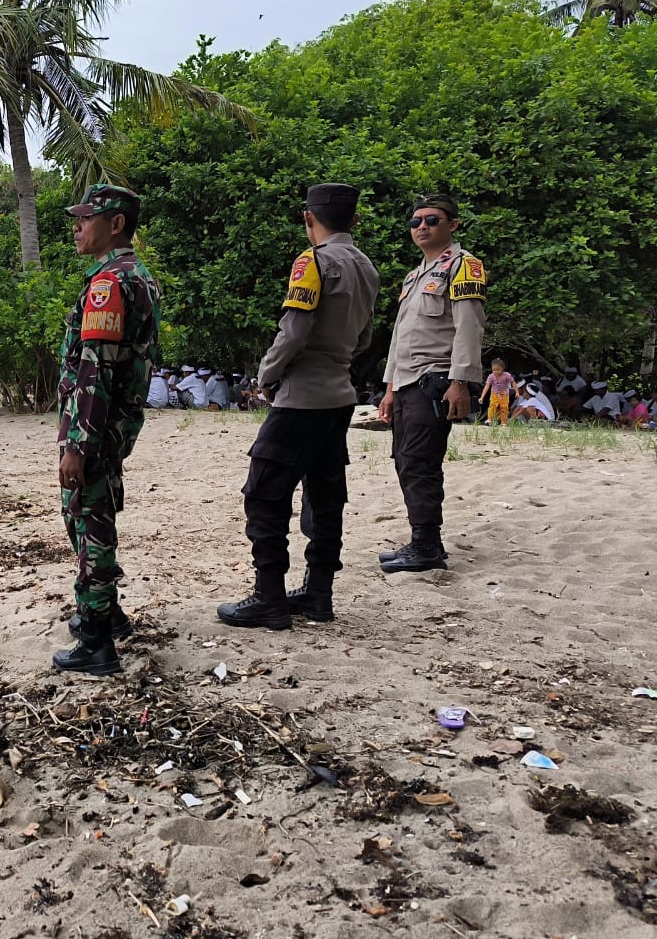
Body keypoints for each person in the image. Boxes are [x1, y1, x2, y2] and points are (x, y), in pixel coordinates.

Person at [217, 183, 379, 629]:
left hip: (301, 397)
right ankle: (318, 594)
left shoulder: (313, 262)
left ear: (309, 218)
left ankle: (268, 596)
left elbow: (294, 330)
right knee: (325, 495)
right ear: (355, 220)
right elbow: (365, 337)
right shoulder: (366, 267)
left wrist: (267, 375)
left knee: (264, 493)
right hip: (340, 395)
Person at [51, 184, 160, 676]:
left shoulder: (109, 283)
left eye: (86, 219)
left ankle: (96, 640)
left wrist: (78, 443)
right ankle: (107, 612)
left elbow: (95, 369)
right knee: (89, 512)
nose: (77, 227)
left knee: (91, 521)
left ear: (116, 225)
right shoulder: (135, 275)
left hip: (95, 426)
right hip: (112, 423)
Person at [377, 194, 487, 573]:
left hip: (436, 379)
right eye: (416, 221)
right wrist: (389, 388)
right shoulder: (414, 276)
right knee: (405, 460)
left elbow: (469, 328)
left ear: (452, 225)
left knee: (420, 462)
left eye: (432, 220)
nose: (422, 227)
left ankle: (426, 547)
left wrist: (461, 382)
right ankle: (422, 541)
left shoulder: (463, 265)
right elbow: (400, 337)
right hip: (407, 382)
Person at [479, 358, 517, 426]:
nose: (496, 372)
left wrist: (517, 392)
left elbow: (513, 383)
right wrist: (482, 397)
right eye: (494, 370)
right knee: (492, 406)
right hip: (494, 393)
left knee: (504, 407)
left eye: (498, 370)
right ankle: (490, 419)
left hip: (504, 394)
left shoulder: (507, 375)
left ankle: (503, 422)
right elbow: (487, 386)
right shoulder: (491, 376)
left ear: (503, 369)